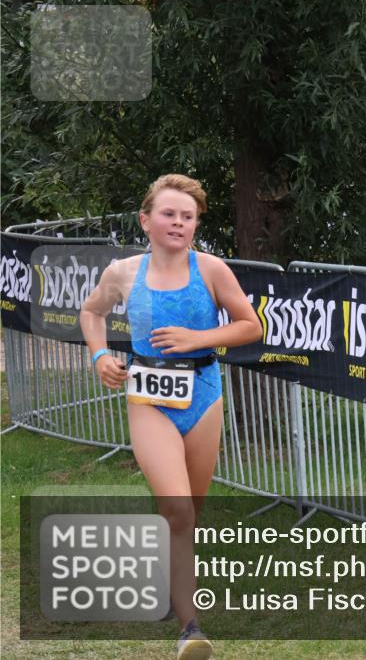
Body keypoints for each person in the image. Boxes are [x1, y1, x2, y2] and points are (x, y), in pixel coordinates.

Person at [81, 174, 263, 660]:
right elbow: (92, 312)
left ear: (196, 224)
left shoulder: (212, 269)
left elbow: (251, 325)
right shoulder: (122, 273)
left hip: (203, 394)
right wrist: (101, 356)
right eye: (169, 213)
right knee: (178, 510)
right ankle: (191, 629)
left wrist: (196, 339)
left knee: (187, 516)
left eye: (188, 216)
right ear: (146, 220)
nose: (178, 222)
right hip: (148, 399)